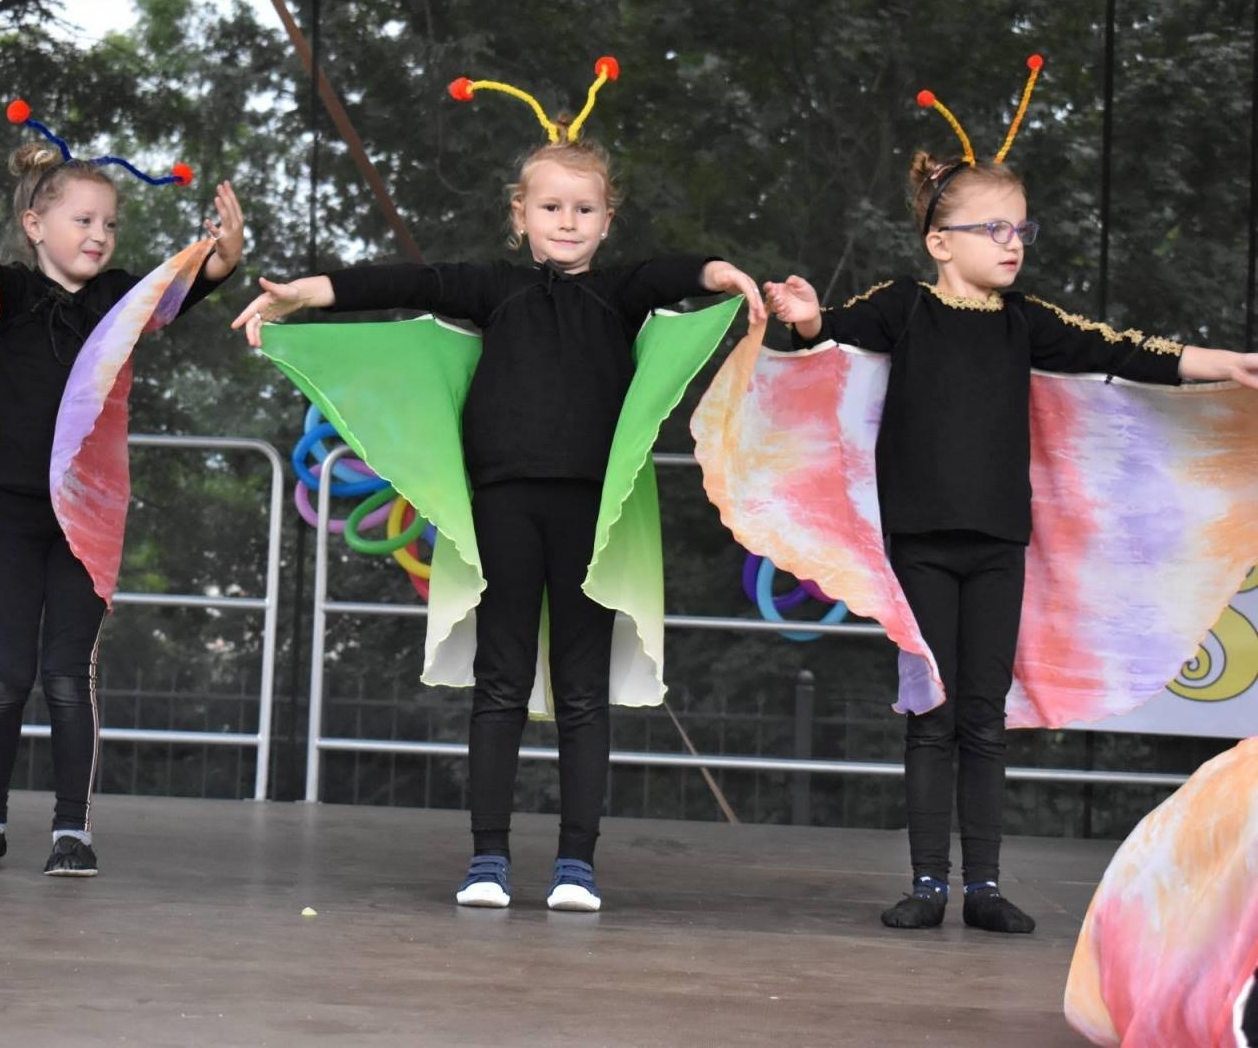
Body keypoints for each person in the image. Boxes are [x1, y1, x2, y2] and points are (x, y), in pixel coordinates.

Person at [234, 58, 765, 911]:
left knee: (583, 688)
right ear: (520, 216)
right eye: (550, 206)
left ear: (606, 218)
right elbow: (406, 282)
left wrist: (725, 273)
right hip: (502, 506)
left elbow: (678, 271)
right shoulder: (494, 288)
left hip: (592, 512)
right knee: (502, 679)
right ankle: (487, 860)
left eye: (584, 208)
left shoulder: (621, 295)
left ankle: (576, 865)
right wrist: (309, 293)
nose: (567, 220)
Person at [764, 56, 1258, 932]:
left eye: (1021, 228)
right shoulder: (903, 307)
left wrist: (1223, 363)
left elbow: (1123, 349)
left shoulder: (1028, 323)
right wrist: (801, 317)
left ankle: (983, 888)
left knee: (985, 717)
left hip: (998, 544)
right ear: (939, 241)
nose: (1012, 242)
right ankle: (925, 887)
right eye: (993, 227)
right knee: (933, 714)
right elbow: (823, 339)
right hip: (917, 542)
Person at [0, 107, 244, 877]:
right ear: (34, 224)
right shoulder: (1, 291)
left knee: (69, 675)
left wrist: (226, 256)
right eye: (82, 219)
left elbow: (189, 283)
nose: (99, 234)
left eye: (109, 222)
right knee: (5, 673)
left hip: (85, 520)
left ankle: (73, 831)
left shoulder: (118, 300)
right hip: (9, 510)